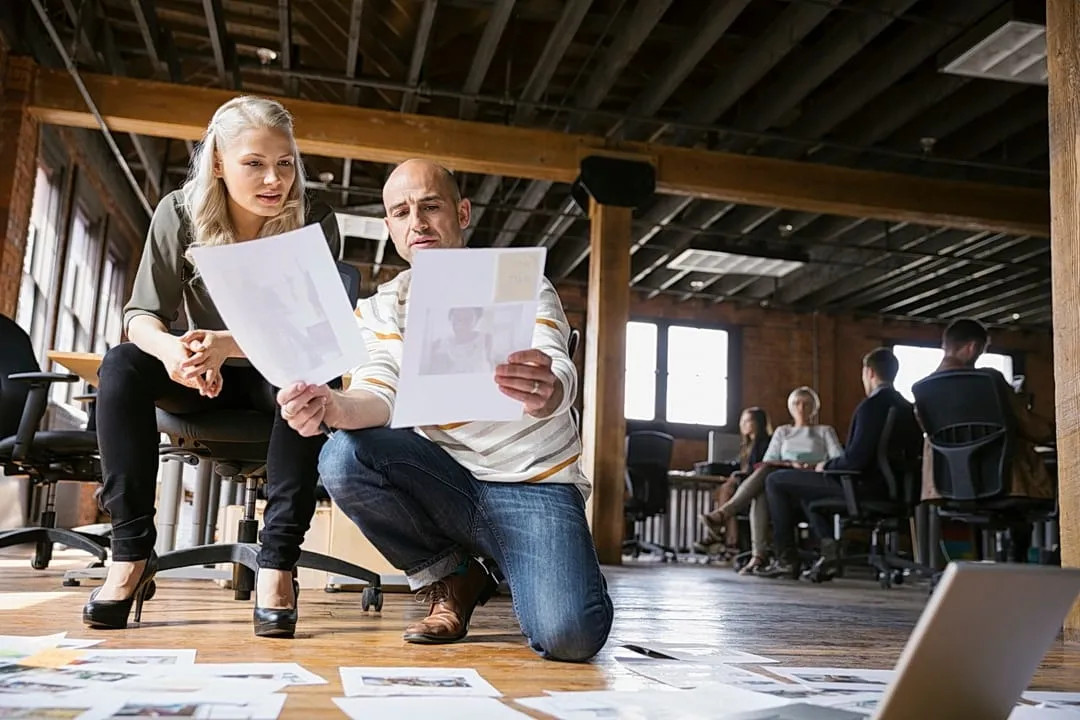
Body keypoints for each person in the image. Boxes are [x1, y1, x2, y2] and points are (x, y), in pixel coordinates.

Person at [276, 158, 613, 662]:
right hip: (445, 482)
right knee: (342, 455)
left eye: (430, 206)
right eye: (401, 211)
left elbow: (557, 363)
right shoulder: (378, 308)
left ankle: (516, 563)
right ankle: (452, 575)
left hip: (532, 486)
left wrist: (550, 386)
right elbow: (380, 394)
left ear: (462, 212)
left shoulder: (518, 283)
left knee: (570, 637)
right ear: (389, 227)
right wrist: (334, 407)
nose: (418, 222)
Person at [84, 97, 340, 637]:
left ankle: (277, 564)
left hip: (276, 372)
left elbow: (319, 332)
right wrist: (173, 352)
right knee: (123, 365)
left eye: (286, 163)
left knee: (310, 379)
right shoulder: (179, 211)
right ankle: (130, 556)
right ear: (219, 163)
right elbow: (140, 316)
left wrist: (227, 342)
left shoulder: (315, 218)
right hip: (203, 373)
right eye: (254, 164)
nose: (275, 179)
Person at [764, 348, 920, 579]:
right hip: (897, 490)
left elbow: (856, 460)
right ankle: (829, 554)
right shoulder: (908, 408)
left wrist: (825, 467)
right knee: (810, 493)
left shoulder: (870, 407)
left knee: (775, 480)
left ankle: (786, 560)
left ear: (869, 372)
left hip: (864, 487)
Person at [919, 319, 1054, 560]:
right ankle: (1030, 565)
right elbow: (1034, 429)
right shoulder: (989, 381)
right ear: (972, 347)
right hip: (1004, 484)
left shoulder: (924, 390)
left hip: (949, 484)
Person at [701, 387, 842, 575]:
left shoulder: (824, 431)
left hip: (810, 480)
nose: (801, 407)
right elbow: (767, 460)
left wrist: (811, 465)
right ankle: (758, 555)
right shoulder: (783, 432)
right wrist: (790, 463)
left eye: (806, 403)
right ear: (790, 407)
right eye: (796, 403)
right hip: (781, 482)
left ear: (815, 408)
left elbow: (837, 458)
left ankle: (726, 517)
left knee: (767, 480)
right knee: (764, 485)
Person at [695, 407, 771, 561]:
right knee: (724, 489)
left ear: (759, 423)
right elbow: (737, 466)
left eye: (747, 420)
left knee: (726, 489)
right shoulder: (747, 446)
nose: (742, 424)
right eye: (741, 420)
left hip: (759, 488)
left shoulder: (765, 443)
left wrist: (737, 476)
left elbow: (758, 470)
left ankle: (721, 536)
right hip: (745, 487)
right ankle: (727, 539)